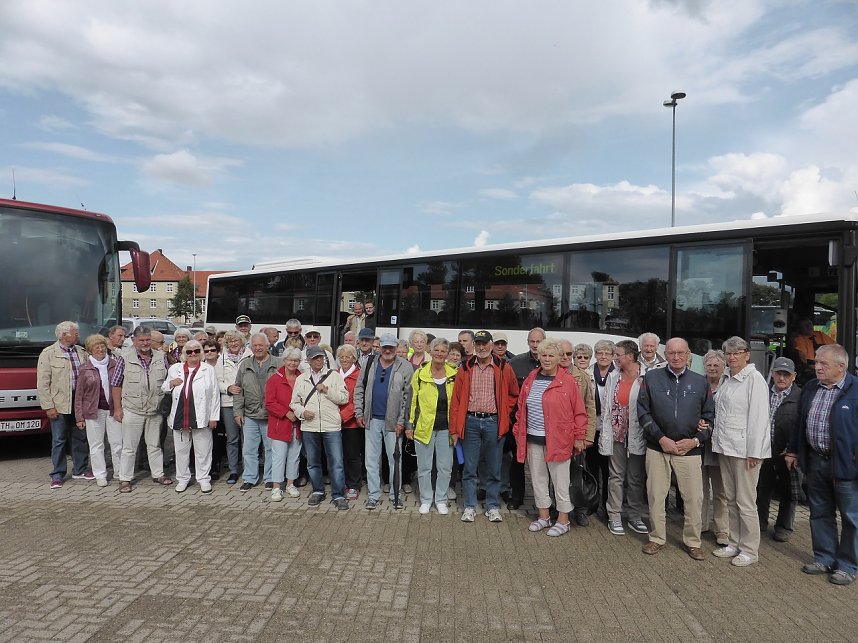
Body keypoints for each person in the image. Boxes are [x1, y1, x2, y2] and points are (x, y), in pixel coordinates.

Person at [785, 344, 858, 585]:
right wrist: (794, 451)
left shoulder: (855, 390)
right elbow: (799, 422)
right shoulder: (810, 387)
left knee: (850, 517)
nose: (817, 367)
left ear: (841, 366)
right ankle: (825, 557)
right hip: (816, 461)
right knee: (819, 512)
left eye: (823, 364)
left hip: (847, 467)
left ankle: (847, 565)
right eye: (816, 362)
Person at [638, 337, 714, 559]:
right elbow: (643, 412)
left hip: (689, 450)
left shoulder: (701, 382)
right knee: (656, 495)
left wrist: (696, 440)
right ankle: (656, 538)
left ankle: (692, 541)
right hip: (658, 448)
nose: (676, 357)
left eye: (681, 353)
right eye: (672, 353)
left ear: (689, 354)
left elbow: (709, 417)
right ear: (666, 354)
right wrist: (661, 438)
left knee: (693, 498)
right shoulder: (651, 378)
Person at [514, 338, 587, 536]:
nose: (546, 359)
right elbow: (522, 407)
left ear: (558, 358)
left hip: (559, 440)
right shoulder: (531, 377)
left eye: (551, 355)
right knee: (538, 480)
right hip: (533, 438)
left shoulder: (568, 381)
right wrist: (518, 430)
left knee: (560, 481)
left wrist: (579, 437)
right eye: (543, 355)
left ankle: (563, 520)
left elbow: (579, 412)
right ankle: (544, 517)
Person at [710, 336, 770, 567]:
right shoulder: (727, 378)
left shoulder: (754, 380)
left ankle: (750, 549)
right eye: (729, 353)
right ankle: (734, 543)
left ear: (747, 354)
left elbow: (759, 419)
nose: (732, 357)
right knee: (731, 500)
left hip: (746, 452)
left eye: (737, 353)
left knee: (746, 502)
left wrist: (755, 452)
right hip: (726, 447)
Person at [450, 330, 520, 523]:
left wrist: (504, 413)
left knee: (494, 467)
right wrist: (455, 428)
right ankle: (470, 506)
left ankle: (492, 506)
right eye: (478, 344)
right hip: (471, 421)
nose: (481, 348)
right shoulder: (465, 368)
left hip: (494, 422)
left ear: (491, 345)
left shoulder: (504, 367)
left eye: (484, 344)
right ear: (474, 346)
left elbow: (514, 393)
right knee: (470, 468)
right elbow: (456, 400)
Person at [354, 333, 414, 509]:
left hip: (393, 422)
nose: (388, 350)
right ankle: (373, 494)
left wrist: (402, 421)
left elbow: (407, 398)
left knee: (395, 459)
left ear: (396, 348)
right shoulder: (369, 363)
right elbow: (359, 389)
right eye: (384, 347)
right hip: (372, 419)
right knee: (371, 460)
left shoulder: (405, 366)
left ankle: (396, 495)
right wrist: (359, 412)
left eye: (391, 347)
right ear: (379, 347)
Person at [291, 345, 350, 510]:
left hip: (331, 426)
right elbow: (294, 403)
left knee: (336, 462)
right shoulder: (301, 378)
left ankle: (338, 495)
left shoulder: (334, 376)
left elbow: (344, 398)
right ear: (308, 360)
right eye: (315, 358)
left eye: (321, 357)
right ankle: (317, 491)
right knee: (312, 462)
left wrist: (327, 390)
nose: (318, 360)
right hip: (310, 426)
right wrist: (302, 412)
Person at [599, 340, 648, 536]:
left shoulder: (646, 377)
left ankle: (635, 516)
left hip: (638, 433)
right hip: (617, 433)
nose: (615, 358)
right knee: (616, 476)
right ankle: (615, 516)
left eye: (618, 354)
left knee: (636, 478)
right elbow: (606, 407)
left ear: (629, 356)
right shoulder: (613, 376)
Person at [118, 326, 172, 492]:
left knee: (154, 445)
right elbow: (115, 384)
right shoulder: (124, 358)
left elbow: (168, 379)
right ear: (134, 341)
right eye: (141, 340)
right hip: (132, 409)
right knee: (129, 447)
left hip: (154, 409)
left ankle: (158, 474)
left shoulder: (161, 357)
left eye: (147, 339)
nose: (145, 343)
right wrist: (117, 409)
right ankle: (125, 479)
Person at [407, 337, 457, 515]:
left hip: (446, 428)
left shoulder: (454, 374)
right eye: (437, 350)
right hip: (424, 427)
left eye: (443, 351)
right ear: (431, 351)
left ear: (447, 354)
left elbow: (458, 404)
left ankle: (441, 499)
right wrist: (409, 425)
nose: (439, 354)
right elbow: (412, 401)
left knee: (445, 467)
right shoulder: (420, 374)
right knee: (424, 467)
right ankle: (426, 499)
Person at [162, 339, 220, 493]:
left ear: (201, 353)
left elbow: (214, 394)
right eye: (189, 352)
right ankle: (182, 479)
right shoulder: (175, 368)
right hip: (181, 414)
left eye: (196, 351)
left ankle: (203, 479)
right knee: (181, 451)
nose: (193, 354)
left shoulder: (208, 369)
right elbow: (164, 387)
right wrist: (171, 383)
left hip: (201, 415)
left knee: (203, 450)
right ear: (184, 354)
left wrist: (213, 416)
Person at [38, 321, 91, 488]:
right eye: (75, 333)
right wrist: (48, 406)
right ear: (64, 335)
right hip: (59, 403)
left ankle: (80, 469)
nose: (78, 335)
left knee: (80, 437)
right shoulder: (48, 354)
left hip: (79, 401)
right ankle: (58, 474)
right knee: (59, 439)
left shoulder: (81, 352)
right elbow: (43, 383)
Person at [756, 357, 801, 542]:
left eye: (786, 374)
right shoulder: (762, 392)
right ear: (772, 373)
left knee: (789, 492)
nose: (782, 378)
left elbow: (802, 426)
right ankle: (759, 523)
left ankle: (783, 527)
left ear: (794, 376)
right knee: (761, 489)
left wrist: (793, 448)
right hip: (765, 450)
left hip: (788, 452)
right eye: (779, 373)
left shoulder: (800, 396)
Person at [73, 334, 123, 487]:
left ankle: (120, 471)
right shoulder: (84, 368)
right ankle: (100, 474)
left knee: (117, 443)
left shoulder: (115, 364)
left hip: (113, 410)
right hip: (93, 411)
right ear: (90, 350)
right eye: (96, 347)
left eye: (102, 346)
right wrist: (79, 417)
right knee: (96, 445)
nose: (100, 349)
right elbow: (79, 394)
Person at [233, 333, 281, 491]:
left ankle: (270, 478)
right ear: (251, 347)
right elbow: (238, 390)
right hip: (250, 414)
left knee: (270, 448)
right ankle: (249, 478)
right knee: (249, 449)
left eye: (261, 345)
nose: (258, 348)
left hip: (271, 415)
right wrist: (237, 412)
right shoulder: (245, 364)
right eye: (255, 345)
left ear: (268, 346)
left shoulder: (278, 363)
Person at [559, 339, 597, 525]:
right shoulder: (551, 374)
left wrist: (588, 436)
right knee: (557, 476)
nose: (566, 357)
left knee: (577, 474)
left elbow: (590, 407)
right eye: (563, 354)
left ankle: (580, 509)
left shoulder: (581, 376)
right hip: (556, 436)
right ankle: (559, 508)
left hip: (576, 435)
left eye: (569, 354)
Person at [508, 327, 547, 510]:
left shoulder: (551, 361)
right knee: (518, 461)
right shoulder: (516, 363)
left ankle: (546, 502)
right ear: (527, 342)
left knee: (545, 463)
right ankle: (517, 497)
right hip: (521, 422)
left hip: (545, 423)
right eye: (532, 341)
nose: (535, 345)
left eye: (538, 341)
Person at [264, 347, 303, 501]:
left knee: (294, 456)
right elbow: (269, 402)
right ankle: (276, 487)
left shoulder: (303, 377)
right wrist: (286, 413)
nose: (293, 363)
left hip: (298, 424)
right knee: (279, 457)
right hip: (280, 424)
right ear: (284, 360)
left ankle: (290, 484)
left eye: (296, 360)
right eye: (290, 360)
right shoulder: (275, 379)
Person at [701, 349, 729, 546]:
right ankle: (701, 524)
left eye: (716, 365)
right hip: (700, 443)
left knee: (721, 491)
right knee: (699, 489)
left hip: (720, 444)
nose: (712, 368)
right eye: (709, 365)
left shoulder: (729, 385)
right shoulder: (698, 383)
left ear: (723, 367)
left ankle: (723, 531)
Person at [215, 331, 250, 485]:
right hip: (228, 403)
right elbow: (217, 381)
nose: (234, 344)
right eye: (230, 342)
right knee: (232, 438)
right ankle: (234, 470)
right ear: (226, 344)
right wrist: (227, 388)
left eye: (236, 341)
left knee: (248, 439)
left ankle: (249, 470)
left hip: (248, 403)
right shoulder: (221, 359)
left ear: (242, 341)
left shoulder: (249, 356)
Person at [589, 339, 615, 515]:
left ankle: (607, 505)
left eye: (607, 353)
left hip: (610, 430)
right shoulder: (588, 373)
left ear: (613, 356)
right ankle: (591, 503)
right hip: (592, 429)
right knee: (591, 468)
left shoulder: (618, 374)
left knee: (608, 471)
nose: (603, 356)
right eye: (600, 353)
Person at [337, 344, 363, 500]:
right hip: (333, 422)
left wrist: (342, 416)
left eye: (348, 357)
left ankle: (353, 485)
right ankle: (340, 483)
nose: (345, 359)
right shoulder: (333, 374)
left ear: (354, 358)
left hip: (351, 423)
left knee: (352, 456)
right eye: (342, 357)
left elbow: (357, 399)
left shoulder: (359, 375)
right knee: (337, 456)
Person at [202, 339, 225, 480]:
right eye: (206, 351)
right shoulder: (201, 366)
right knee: (206, 438)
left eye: (213, 350)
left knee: (219, 438)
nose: (210, 353)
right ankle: (205, 466)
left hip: (224, 404)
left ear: (218, 351)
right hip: (206, 408)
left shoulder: (224, 364)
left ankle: (216, 465)